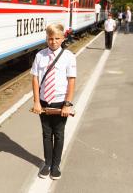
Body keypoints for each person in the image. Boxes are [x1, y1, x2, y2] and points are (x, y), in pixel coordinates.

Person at [30, 23, 76, 180]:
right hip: (44, 102)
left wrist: (67, 104)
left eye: (57, 38)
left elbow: (71, 81)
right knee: (46, 135)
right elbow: (35, 79)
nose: (54, 41)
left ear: (63, 38)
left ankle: (56, 165)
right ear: (46, 39)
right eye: (50, 38)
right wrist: (36, 102)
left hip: (60, 103)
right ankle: (47, 163)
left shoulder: (69, 57)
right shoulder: (39, 56)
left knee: (59, 134)